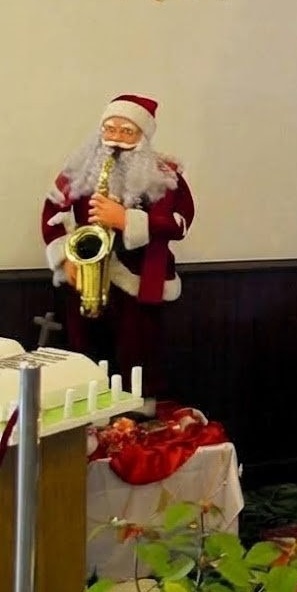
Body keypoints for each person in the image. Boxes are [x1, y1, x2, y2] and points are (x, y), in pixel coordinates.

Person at [41, 94, 195, 397]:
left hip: (138, 281)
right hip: (84, 277)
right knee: (85, 352)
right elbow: (52, 212)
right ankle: (88, 409)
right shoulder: (78, 169)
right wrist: (65, 258)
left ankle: (137, 411)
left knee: (138, 353)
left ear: (142, 136)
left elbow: (179, 223)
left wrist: (126, 220)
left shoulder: (165, 176)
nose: (116, 138)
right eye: (109, 129)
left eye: (127, 131)